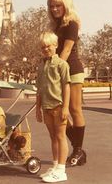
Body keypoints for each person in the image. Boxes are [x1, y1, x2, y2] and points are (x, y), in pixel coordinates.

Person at [47, 0, 86, 167]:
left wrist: (56, 69)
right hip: (59, 69)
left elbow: (67, 50)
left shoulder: (72, 24)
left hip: (72, 69)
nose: (55, 9)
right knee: (58, 110)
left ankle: (78, 150)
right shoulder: (54, 27)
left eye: (58, 5)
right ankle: (77, 147)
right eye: (52, 6)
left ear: (65, 5)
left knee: (74, 109)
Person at [36, 31, 71, 183]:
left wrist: (65, 108)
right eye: (43, 47)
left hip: (58, 106)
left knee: (60, 136)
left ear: (55, 46)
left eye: (48, 46)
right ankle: (55, 165)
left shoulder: (62, 64)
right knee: (52, 137)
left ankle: (62, 170)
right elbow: (39, 89)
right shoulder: (41, 66)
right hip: (46, 107)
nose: (46, 49)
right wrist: (38, 108)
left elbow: (66, 87)